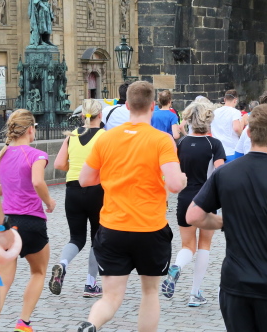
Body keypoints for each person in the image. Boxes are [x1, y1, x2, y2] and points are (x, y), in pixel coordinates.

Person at [187, 104, 267, 332]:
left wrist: (225, 221)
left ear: (249, 133)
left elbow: (193, 215)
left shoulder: (224, 172)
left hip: (234, 283)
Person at [75, 81, 187, 332]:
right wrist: (182, 179)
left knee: (110, 297)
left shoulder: (106, 138)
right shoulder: (162, 140)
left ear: (127, 105)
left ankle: (91, 324)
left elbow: (85, 180)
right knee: (150, 294)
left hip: (113, 227)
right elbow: (174, 184)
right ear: (152, 106)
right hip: (150, 228)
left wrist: (113, 174)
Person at [161, 102, 225, 307]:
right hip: (206, 198)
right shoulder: (214, 144)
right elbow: (220, 172)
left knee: (188, 245)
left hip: (185, 198)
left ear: (188, 119)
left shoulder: (181, 144)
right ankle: (194, 293)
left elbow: (173, 172)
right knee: (204, 245)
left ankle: (177, 266)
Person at [0, 109, 56, 332]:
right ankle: (23, 323)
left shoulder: (2, 156)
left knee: (2, 282)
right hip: (32, 223)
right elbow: (38, 182)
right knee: (38, 272)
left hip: (7, 226)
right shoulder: (36, 155)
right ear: (31, 129)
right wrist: (49, 201)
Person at [50, 100, 105, 299]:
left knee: (76, 238)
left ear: (82, 116)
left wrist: (74, 167)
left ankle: (62, 264)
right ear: (100, 115)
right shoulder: (104, 136)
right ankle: (90, 284)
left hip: (72, 190)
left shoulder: (72, 135)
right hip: (96, 190)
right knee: (97, 237)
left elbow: (58, 164)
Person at [210, 90, 242, 161]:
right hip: (231, 150)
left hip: (217, 151)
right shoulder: (235, 112)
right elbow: (236, 128)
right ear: (235, 100)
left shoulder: (215, 112)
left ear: (224, 99)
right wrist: (242, 134)